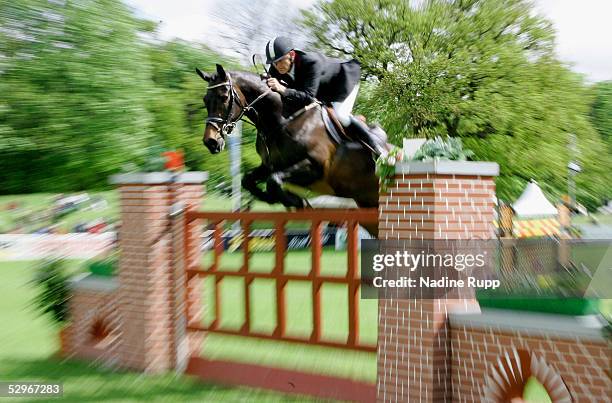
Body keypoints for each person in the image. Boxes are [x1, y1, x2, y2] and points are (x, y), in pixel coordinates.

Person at [264, 36, 386, 157]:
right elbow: (268, 80)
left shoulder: (310, 62)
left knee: (341, 115)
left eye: (280, 60)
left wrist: (283, 89)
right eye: (274, 63)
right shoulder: (277, 68)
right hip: (323, 91)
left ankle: (378, 149)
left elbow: (308, 97)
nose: (277, 66)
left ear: (291, 54)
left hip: (343, 81)